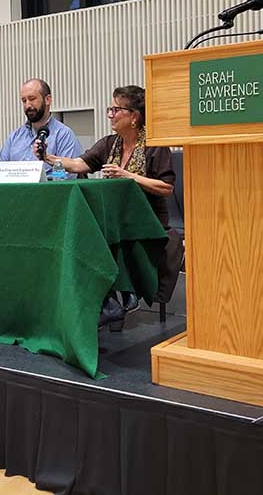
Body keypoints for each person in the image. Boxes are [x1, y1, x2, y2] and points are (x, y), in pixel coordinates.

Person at [37, 85, 182, 330]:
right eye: (110, 109)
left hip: (148, 223)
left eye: (116, 109)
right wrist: (49, 158)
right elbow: (78, 165)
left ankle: (115, 299)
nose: (111, 115)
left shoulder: (155, 146)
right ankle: (105, 301)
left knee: (106, 238)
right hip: (116, 220)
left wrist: (128, 175)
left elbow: (166, 188)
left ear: (134, 116)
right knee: (84, 233)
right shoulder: (108, 144)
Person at [0, 78, 82, 177]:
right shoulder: (14, 137)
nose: (27, 105)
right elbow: (0, 173)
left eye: (32, 99)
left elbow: (68, 178)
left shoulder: (63, 135)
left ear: (47, 100)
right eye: (24, 101)